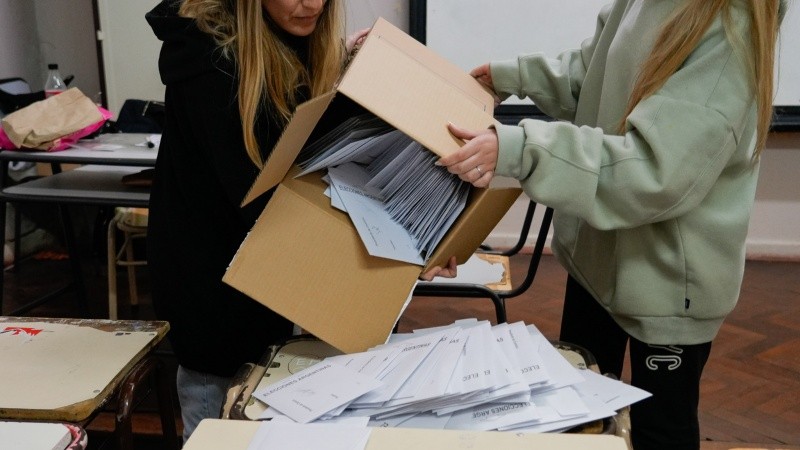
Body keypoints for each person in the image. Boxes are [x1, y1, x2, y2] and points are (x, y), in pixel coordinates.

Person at [436, 1, 785, 449]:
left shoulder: (731, 28)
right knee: (582, 418)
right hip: (598, 260)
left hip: (663, 285)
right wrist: (510, 76)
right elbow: (593, 74)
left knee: (660, 431)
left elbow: (652, 172)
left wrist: (520, 149)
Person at [145, 0, 368, 441]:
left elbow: (299, 147)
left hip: (260, 281)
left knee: (258, 421)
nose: (312, 4)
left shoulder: (281, 42)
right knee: (217, 426)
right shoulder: (216, 70)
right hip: (213, 295)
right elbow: (266, 195)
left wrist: (346, 77)